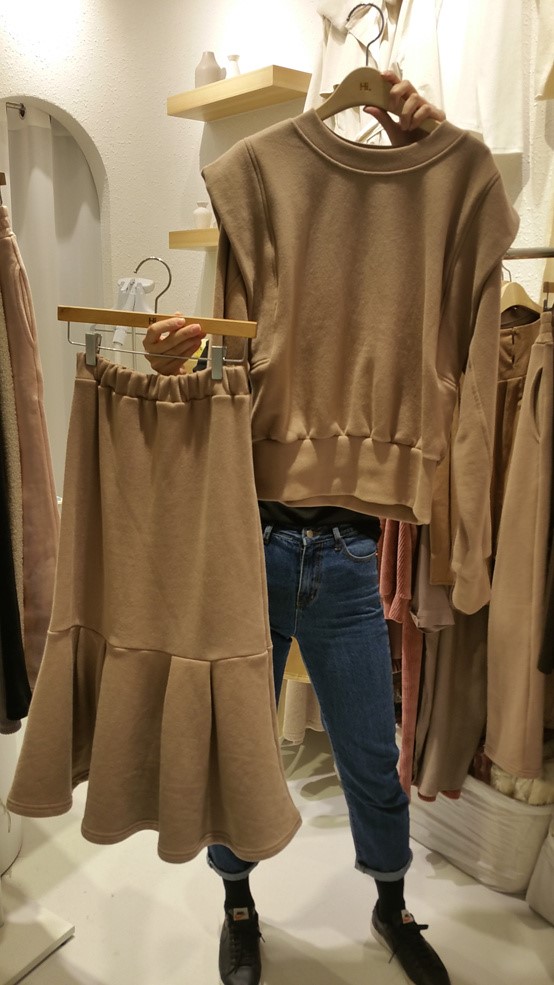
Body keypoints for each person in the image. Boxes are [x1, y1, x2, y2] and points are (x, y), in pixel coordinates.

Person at [143, 74, 450, 985]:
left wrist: (431, 143)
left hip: (350, 550)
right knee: (237, 742)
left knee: (370, 750)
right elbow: (208, 380)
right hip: (254, 545)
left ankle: (391, 901)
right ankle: (238, 901)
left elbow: (465, 238)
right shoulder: (257, 231)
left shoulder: (400, 254)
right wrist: (170, 360)